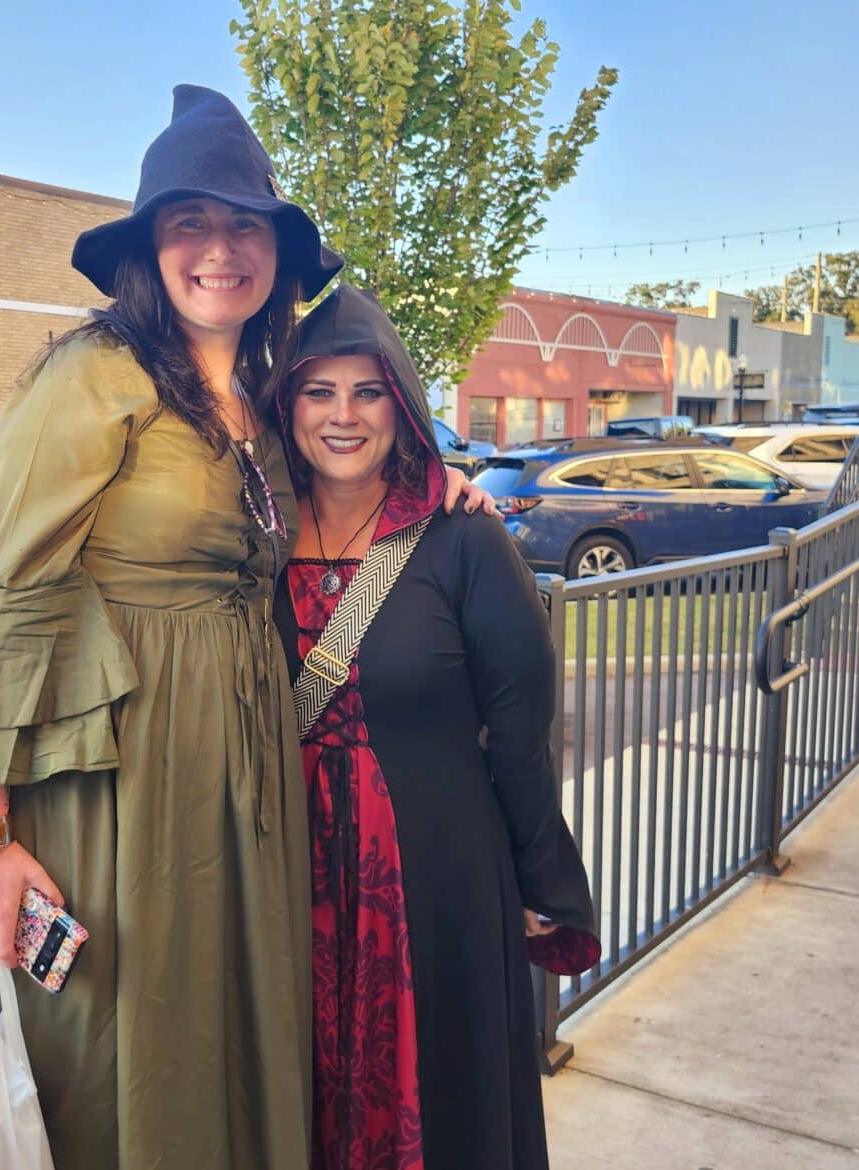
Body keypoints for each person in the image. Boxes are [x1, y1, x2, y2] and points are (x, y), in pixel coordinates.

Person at [0, 88, 490, 1170]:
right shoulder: (93, 374)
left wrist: (435, 482)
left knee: (230, 1043)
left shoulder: (259, 393)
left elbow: (331, 489)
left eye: (247, 226)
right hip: (122, 779)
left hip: (245, 777)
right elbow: (13, 598)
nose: (221, 250)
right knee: (125, 1051)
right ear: (151, 246)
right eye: (191, 222)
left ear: (278, 255)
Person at [268, 286, 601, 1170]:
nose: (343, 416)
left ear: (403, 405)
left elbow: (521, 731)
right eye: (318, 392)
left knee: (438, 1098)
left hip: (434, 882)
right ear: (287, 407)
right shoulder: (252, 536)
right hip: (282, 874)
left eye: (368, 392)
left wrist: (538, 876)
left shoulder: (461, 538)